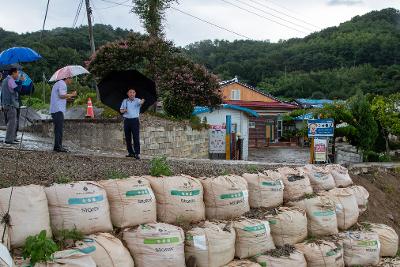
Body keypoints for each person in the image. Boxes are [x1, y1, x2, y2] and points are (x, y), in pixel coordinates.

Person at [49, 77, 76, 152]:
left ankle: (58, 146)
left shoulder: (58, 83)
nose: (71, 80)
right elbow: (61, 95)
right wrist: (72, 94)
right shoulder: (62, 84)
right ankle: (58, 147)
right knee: (59, 129)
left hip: (56, 109)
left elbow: (60, 97)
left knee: (58, 128)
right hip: (58, 109)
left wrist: (68, 98)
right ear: (67, 78)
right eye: (71, 78)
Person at [1, 68, 24, 144]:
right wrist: (21, 81)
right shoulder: (10, 80)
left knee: (11, 122)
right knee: (12, 123)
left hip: (5, 104)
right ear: (13, 73)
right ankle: (9, 140)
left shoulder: (5, 80)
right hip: (11, 104)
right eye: (17, 73)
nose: (17, 75)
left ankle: (11, 138)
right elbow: (18, 89)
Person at [120, 88, 145, 159]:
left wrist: (142, 101)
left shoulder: (137, 100)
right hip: (126, 121)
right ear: (127, 93)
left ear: (135, 93)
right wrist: (124, 110)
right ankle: (130, 152)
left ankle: (137, 153)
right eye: (130, 92)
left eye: (133, 92)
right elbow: (121, 110)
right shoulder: (125, 101)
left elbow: (141, 103)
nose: (132, 94)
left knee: (136, 137)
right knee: (127, 137)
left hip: (135, 121)